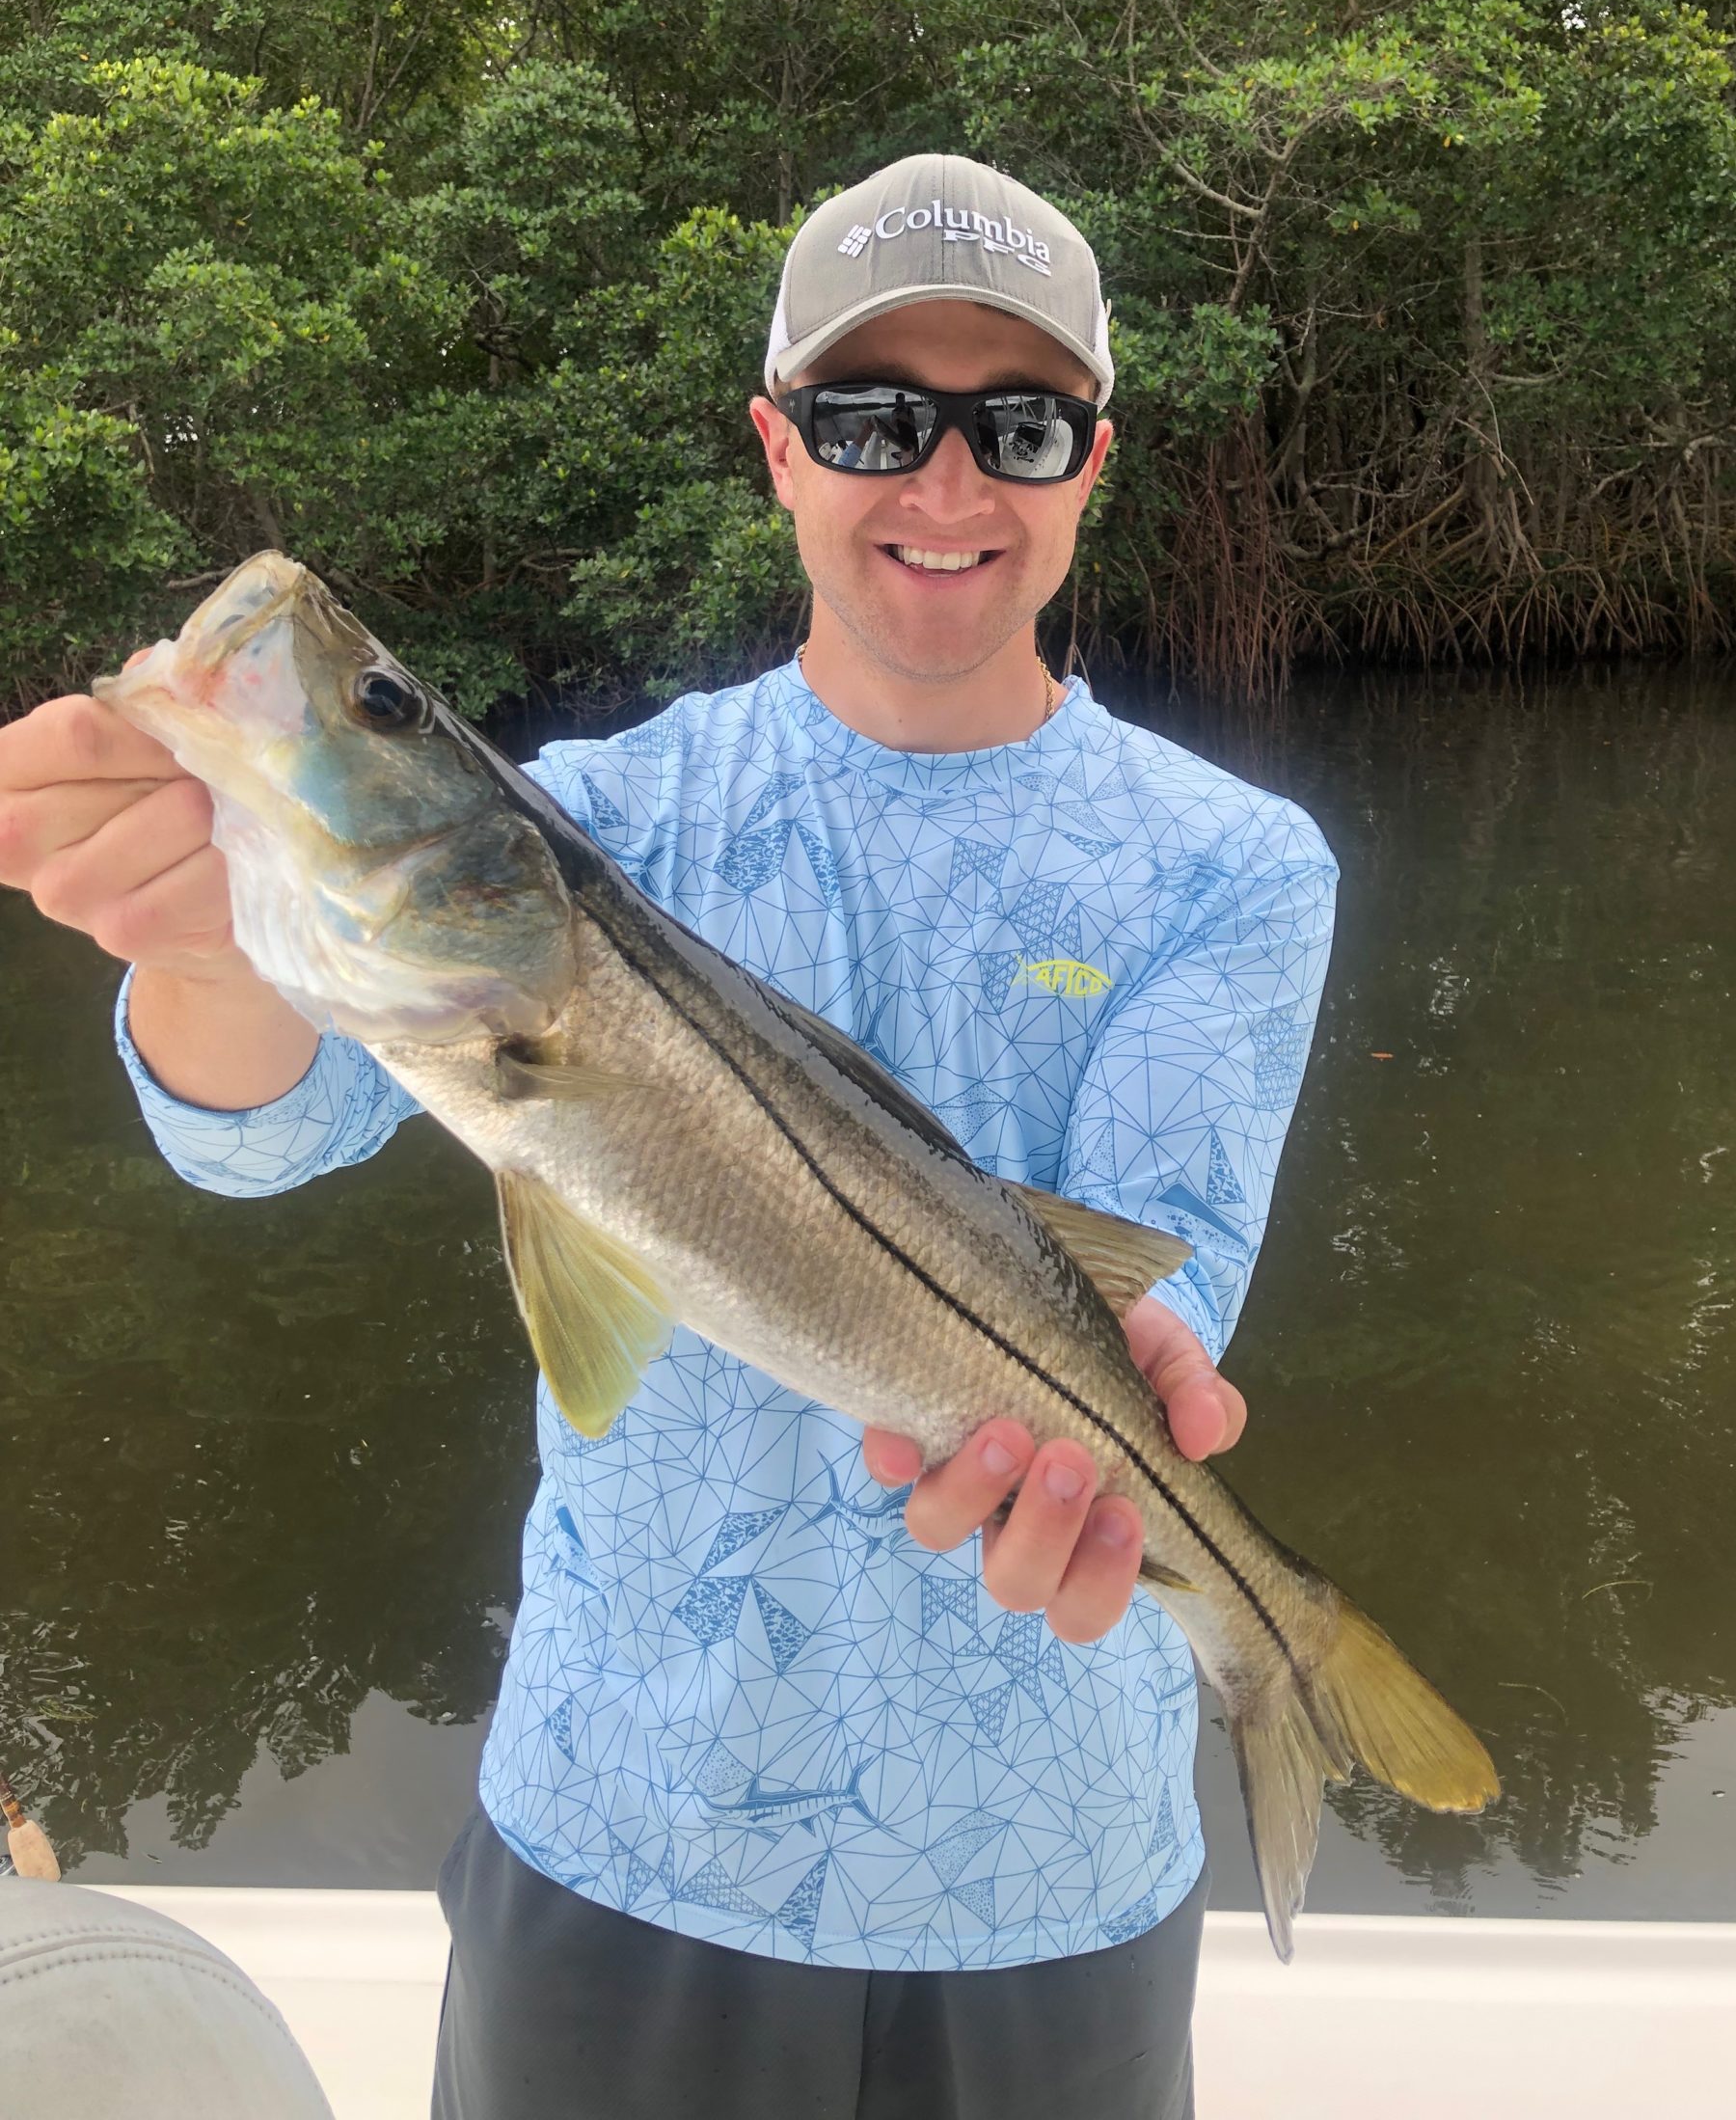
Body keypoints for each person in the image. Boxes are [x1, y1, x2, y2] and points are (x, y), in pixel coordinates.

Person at [0, 154, 1337, 2118]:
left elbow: (1158, 1266)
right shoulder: (600, 820)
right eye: (876, 419)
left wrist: (1157, 1474)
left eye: (1018, 425)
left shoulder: (1235, 862)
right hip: (626, 1836)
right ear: (780, 449)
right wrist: (206, 934)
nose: (946, 485)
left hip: (1051, 1864)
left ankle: (1281, 1648)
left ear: (1091, 465)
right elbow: (256, 1138)